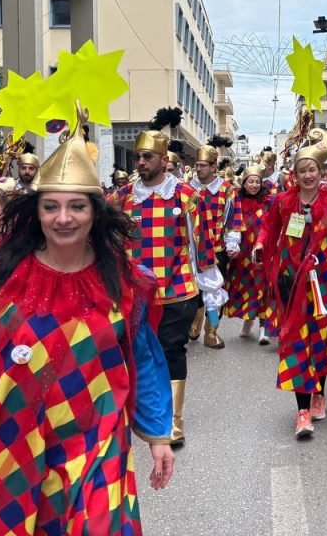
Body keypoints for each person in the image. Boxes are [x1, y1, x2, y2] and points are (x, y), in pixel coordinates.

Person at [0, 117, 174, 534]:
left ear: (95, 213)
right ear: (35, 211)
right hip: (16, 444)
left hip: (99, 446)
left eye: (76, 205)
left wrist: (158, 435)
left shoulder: (123, 282)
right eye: (51, 206)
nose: (64, 218)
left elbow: (143, 359)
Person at [112, 130, 218, 447]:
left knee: (172, 351)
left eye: (148, 157)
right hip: (134, 294)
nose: (141, 162)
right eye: (138, 157)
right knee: (134, 352)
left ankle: (173, 420)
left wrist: (210, 287)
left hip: (177, 290)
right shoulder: (123, 197)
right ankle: (135, 410)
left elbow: (202, 243)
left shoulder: (187, 196)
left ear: (163, 160)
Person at [252, 130, 327, 439]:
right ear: (295, 174)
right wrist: (260, 246)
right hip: (293, 282)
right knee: (298, 344)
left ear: (321, 172)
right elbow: (268, 229)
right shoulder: (282, 202)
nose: (308, 175)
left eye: (312, 169)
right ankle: (302, 411)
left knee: (321, 344)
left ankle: (319, 393)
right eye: (302, 170)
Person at [188, 145, 234, 350]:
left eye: (203, 166)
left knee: (215, 290)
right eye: (197, 165)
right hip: (192, 250)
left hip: (216, 248)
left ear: (214, 167)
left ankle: (211, 331)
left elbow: (232, 219)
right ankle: (195, 324)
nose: (199, 169)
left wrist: (233, 242)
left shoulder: (226, 188)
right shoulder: (187, 188)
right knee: (194, 291)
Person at [225, 166, 271, 341]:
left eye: (257, 182)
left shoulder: (268, 201)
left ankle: (264, 327)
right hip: (242, 253)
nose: (254, 185)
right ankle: (248, 320)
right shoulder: (236, 200)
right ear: (244, 183)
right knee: (246, 287)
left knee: (263, 287)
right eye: (251, 181)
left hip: (261, 251)